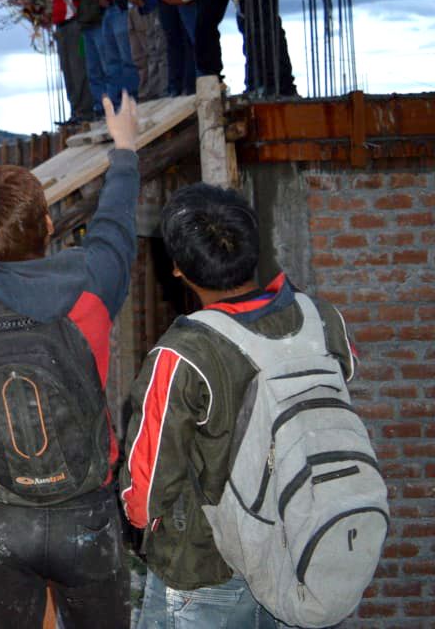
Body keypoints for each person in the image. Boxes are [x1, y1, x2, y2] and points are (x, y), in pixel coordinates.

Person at [0, 97, 140, 629]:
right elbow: (115, 221)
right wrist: (125, 148)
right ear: (47, 222)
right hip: (85, 512)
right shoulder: (93, 283)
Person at [124, 185, 357, 628]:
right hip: (304, 550)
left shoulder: (183, 354)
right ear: (253, 248)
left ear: (177, 268)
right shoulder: (322, 320)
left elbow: (144, 493)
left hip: (207, 572)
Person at [44, 0, 95, 125]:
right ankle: (76, 110)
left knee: (78, 68)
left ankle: (84, 111)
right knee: (68, 70)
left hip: (74, 27)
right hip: (63, 29)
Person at [71, 0, 111, 119]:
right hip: (86, 20)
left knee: (107, 64)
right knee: (93, 70)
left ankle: (113, 105)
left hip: (101, 18)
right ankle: (100, 107)